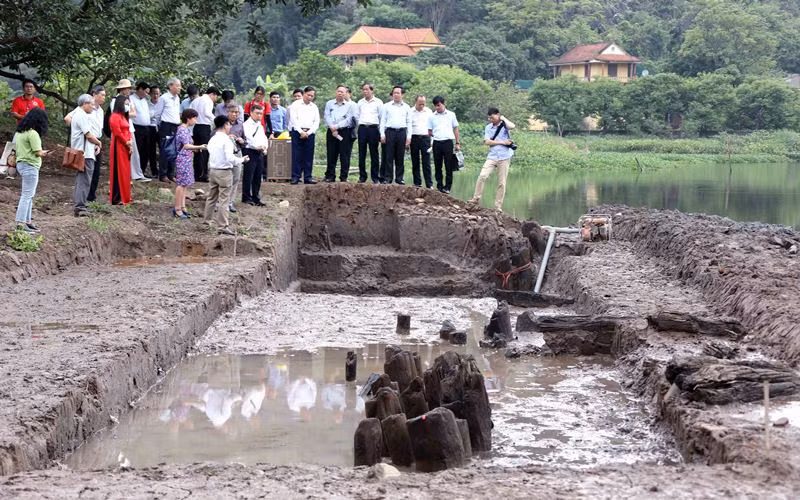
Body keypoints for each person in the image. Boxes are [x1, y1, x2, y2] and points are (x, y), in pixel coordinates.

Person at [205, 115, 248, 235]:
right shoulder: (226, 140)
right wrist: (242, 160)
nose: (230, 127)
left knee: (211, 197)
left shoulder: (212, 139)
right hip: (224, 172)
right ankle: (222, 226)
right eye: (229, 124)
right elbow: (230, 158)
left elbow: (209, 151)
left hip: (213, 170)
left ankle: (206, 221)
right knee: (224, 200)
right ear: (225, 125)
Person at [65, 86, 106, 202]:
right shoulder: (81, 112)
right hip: (87, 142)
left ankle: (90, 197)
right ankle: (82, 202)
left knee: (94, 172)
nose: (103, 97)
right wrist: (79, 130)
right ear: (94, 95)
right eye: (102, 95)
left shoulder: (101, 110)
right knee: (85, 174)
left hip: (96, 140)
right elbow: (67, 119)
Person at [471, 108, 516, 210]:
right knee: (482, 175)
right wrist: (502, 142)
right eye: (489, 117)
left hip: (504, 156)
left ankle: (498, 206)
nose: (491, 119)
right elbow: (487, 141)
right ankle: (476, 198)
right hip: (492, 156)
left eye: (493, 117)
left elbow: (512, 126)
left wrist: (503, 118)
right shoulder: (488, 128)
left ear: (498, 115)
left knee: (502, 183)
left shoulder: (505, 125)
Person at [13, 108, 50, 233]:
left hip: (21, 164)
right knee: (27, 195)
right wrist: (46, 153)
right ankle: (21, 223)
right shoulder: (33, 133)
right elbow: (38, 152)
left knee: (29, 195)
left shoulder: (19, 133)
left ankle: (27, 221)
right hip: (30, 166)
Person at [71, 94, 103, 217]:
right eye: (91, 104)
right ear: (85, 103)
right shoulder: (81, 115)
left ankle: (80, 204)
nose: (93, 107)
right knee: (84, 180)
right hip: (85, 153)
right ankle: (80, 207)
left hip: (81, 152)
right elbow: (88, 135)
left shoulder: (78, 114)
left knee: (81, 179)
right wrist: (98, 142)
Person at [173, 108, 206, 218]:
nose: (195, 120)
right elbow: (186, 145)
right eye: (194, 118)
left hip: (186, 159)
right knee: (181, 184)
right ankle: (177, 208)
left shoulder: (185, 129)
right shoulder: (182, 129)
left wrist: (195, 148)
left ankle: (182, 206)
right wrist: (199, 146)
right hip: (182, 159)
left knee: (184, 184)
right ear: (188, 118)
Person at [428, 96, 461, 194]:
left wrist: (457, 143)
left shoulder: (451, 115)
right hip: (437, 143)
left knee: (448, 165)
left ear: (443, 104)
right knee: (438, 166)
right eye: (435, 106)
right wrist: (434, 136)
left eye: (439, 105)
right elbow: (429, 131)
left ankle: (448, 187)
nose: (437, 108)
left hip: (448, 142)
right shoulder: (432, 116)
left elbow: (455, 128)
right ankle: (439, 186)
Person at [323, 85, 356, 182]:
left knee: (344, 155)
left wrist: (337, 127)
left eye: (342, 92)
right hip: (331, 131)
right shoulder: (329, 103)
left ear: (346, 93)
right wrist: (332, 127)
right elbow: (327, 116)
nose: (340, 93)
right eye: (338, 91)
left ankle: (343, 177)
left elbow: (349, 119)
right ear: (335, 92)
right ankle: (330, 176)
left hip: (344, 131)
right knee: (331, 153)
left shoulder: (350, 105)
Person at [380, 85, 412, 185]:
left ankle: (399, 178)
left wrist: (409, 137)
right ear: (392, 94)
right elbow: (382, 121)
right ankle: (388, 178)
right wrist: (382, 134)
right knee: (388, 156)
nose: (396, 95)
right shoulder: (386, 106)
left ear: (402, 95)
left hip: (402, 132)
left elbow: (409, 123)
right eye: (394, 93)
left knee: (400, 156)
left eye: (398, 93)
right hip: (389, 132)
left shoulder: (407, 107)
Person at [287, 86, 319, 185]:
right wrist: (301, 132)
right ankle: (295, 177)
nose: (310, 97)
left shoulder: (314, 106)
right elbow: (293, 120)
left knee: (308, 155)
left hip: (310, 132)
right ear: (304, 93)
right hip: (297, 132)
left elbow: (316, 121)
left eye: (312, 96)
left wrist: (308, 133)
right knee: (296, 155)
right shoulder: (295, 105)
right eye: (308, 95)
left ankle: (308, 177)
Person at [154, 77, 182, 182]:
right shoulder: (164, 98)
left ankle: (171, 173)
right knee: (165, 150)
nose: (179, 88)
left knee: (174, 150)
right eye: (177, 85)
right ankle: (163, 174)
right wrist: (160, 126)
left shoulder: (177, 98)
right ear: (171, 86)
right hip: (166, 125)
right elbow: (158, 114)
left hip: (175, 125)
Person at [242, 104, 269, 205]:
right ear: (251, 113)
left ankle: (256, 197)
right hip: (250, 151)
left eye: (261, 114)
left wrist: (264, 147)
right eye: (257, 113)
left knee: (258, 175)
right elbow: (249, 139)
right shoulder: (246, 125)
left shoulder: (260, 125)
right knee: (249, 175)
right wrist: (258, 146)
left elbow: (264, 138)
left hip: (260, 152)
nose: (259, 115)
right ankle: (246, 197)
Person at [355, 83, 383, 183]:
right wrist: (361, 124)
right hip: (362, 128)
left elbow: (381, 117)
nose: (365, 91)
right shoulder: (360, 102)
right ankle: (362, 176)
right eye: (363, 90)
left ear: (372, 90)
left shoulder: (378, 102)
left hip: (373, 129)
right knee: (361, 153)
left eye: (367, 89)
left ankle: (375, 177)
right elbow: (357, 116)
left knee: (374, 153)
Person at [190, 86, 218, 182]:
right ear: (212, 94)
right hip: (204, 127)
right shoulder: (208, 101)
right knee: (205, 151)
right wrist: (216, 120)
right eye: (215, 96)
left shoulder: (196, 100)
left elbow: (190, 112)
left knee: (197, 150)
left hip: (196, 127)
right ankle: (204, 174)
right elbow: (207, 113)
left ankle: (196, 174)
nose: (215, 99)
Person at [108, 95, 133, 205]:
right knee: (119, 170)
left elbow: (128, 130)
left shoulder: (124, 116)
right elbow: (117, 132)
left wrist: (130, 143)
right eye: (126, 104)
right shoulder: (114, 116)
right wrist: (126, 142)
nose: (127, 106)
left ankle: (125, 196)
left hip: (126, 146)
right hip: (119, 145)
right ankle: (117, 197)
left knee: (126, 172)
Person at [131, 81, 154, 178]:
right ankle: (135, 172)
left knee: (146, 151)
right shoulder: (131, 99)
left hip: (146, 128)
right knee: (138, 150)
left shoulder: (144, 101)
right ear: (140, 89)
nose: (147, 94)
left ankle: (142, 171)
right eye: (146, 92)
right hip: (137, 128)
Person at [410, 95, 433, 188]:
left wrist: (432, 140)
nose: (421, 106)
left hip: (425, 138)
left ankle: (429, 184)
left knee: (426, 162)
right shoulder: (410, 111)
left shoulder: (429, 112)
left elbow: (432, 126)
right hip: (414, 138)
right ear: (416, 102)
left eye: (423, 103)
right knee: (415, 161)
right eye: (420, 104)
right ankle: (417, 183)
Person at [226, 104, 245, 212]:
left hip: (237, 152)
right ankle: (220, 202)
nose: (234, 114)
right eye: (232, 112)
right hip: (224, 154)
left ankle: (230, 202)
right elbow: (213, 135)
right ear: (227, 112)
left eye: (237, 112)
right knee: (223, 178)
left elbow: (245, 140)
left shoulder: (241, 125)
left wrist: (241, 140)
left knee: (236, 177)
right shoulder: (221, 123)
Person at [147, 86, 160, 178]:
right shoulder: (146, 104)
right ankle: (154, 170)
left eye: (157, 93)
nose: (155, 95)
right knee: (151, 150)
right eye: (154, 93)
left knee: (163, 149)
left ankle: (163, 170)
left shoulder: (161, 103)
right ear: (150, 94)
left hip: (160, 127)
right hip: (150, 128)